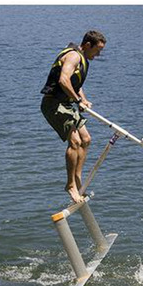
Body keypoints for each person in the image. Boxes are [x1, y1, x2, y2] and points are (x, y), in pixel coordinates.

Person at [40, 30, 106, 203]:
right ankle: (70, 185)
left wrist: (83, 99)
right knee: (75, 141)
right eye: (97, 50)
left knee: (86, 139)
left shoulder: (83, 59)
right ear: (87, 45)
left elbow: (74, 83)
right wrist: (78, 100)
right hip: (53, 103)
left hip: (66, 104)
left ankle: (77, 178)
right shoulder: (73, 56)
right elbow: (63, 80)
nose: (98, 54)